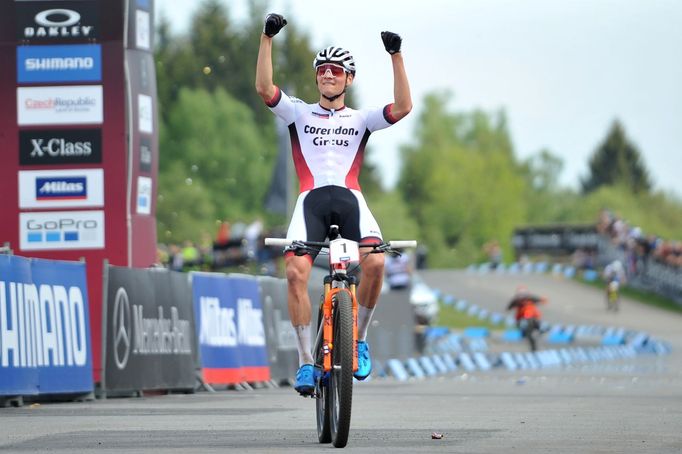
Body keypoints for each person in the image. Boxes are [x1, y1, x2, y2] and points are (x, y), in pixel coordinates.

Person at [255, 13, 412, 395]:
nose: (328, 75)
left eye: (336, 71)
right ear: (316, 77)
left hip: (350, 200)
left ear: (349, 79)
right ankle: (305, 362)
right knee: (294, 273)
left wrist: (396, 55)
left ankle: (358, 340)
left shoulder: (361, 119)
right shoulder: (297, 111)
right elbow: (264, 88)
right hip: (310, 202)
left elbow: (404, 106)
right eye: (323, 70)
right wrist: (267, 37)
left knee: (375, 262)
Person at [506, 285, 546, 352]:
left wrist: (542, 300)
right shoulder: (515, 300)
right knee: (522, 327)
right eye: (521, 295)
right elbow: (509, 307)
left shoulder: (531, 298)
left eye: (524, 295)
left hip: (533, 316)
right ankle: (526, 334)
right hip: (521, 317)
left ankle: (540, 329)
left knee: (537, 322)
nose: (522, 298)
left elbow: (541, 300)